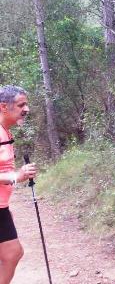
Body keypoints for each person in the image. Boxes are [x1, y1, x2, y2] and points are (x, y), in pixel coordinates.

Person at [0, 85, 37, 284]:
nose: (27, 109)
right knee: (12, 253)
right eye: (21, 104)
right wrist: (17, 176)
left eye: (27, 104)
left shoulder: (5, 131)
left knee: (12, 253)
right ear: (4, 107)